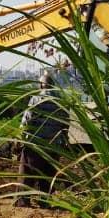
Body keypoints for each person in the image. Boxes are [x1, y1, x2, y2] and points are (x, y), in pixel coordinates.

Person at [16, 71, 67, 207]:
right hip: (53, 146)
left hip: (35, 145)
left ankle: (23, 201)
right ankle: (44, 202)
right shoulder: (61, 102)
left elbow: (27, 121)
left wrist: (20, 139)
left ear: (41, 85)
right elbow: (65, 125)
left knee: (27, 174)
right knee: (48, 177)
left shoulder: (35, 99)